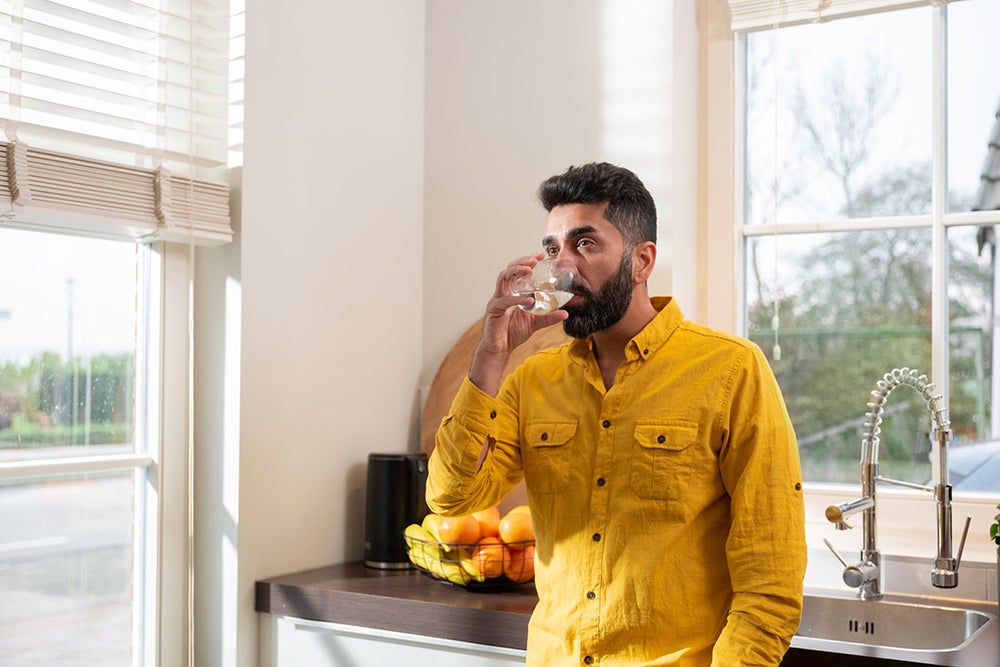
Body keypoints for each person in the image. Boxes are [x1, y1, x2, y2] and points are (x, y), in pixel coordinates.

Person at [426, 162, 807, 666]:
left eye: (584, 244)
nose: (561, 265)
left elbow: (770, 572)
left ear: (642, 261)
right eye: (551, 248)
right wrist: (490, 355)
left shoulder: (731, 370)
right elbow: (451, 498)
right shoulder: (531, 379)